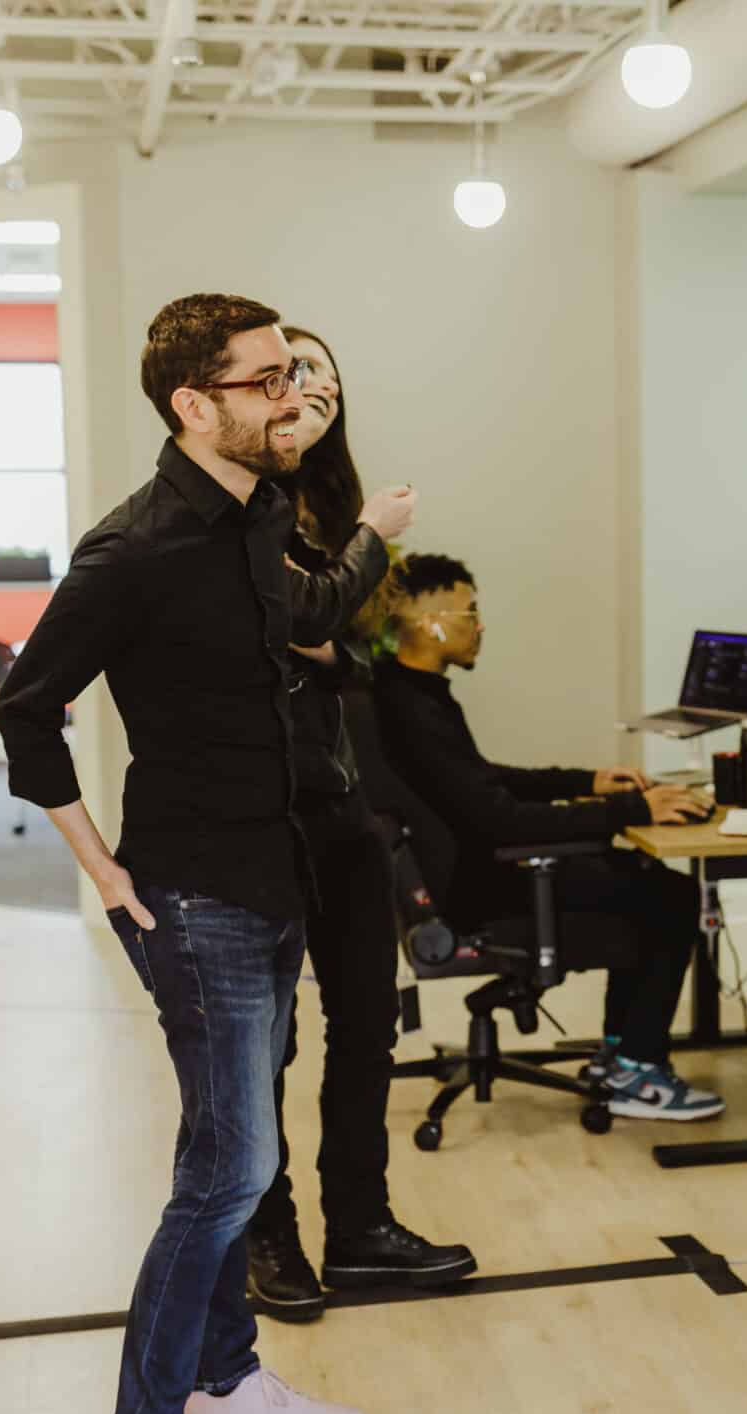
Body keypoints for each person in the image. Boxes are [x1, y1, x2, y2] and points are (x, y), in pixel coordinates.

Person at [0, 293, 419, 1414]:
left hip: (273, 876)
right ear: (194, 405)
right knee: (229, 1168)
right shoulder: (131, 553)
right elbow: (28, 709)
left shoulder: (264, 512)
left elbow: (293, 632)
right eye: (266, 381)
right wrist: (101, 869)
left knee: (234, 1137)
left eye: (293, 372)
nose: (292, 398)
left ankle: (224, 1380)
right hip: (192, 894)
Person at [244, 325, 479, 1323]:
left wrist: (335, 638)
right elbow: (284, 631)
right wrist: (332, 627)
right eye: (297, 372)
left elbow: (363, 652)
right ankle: (270, 1238)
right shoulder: (242, 504)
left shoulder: (343, 513)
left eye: (331, 377)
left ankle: (362, 1228)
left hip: (341, 802)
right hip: (259, 809)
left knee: (367, 1027)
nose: (317, 388)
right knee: (267, 1043)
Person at [372, 554, 730, 1121]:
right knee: (668, 896)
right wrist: (632, 808)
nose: (481, 625)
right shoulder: (410, 707)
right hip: (480, 886)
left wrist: (586, 782)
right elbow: (498, 818)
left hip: (471, 869)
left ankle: (622, 1055)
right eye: (470, 611)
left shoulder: (407, 692)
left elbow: (481, 782)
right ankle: (635, 1067)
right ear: (429, 623)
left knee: (647, 882)